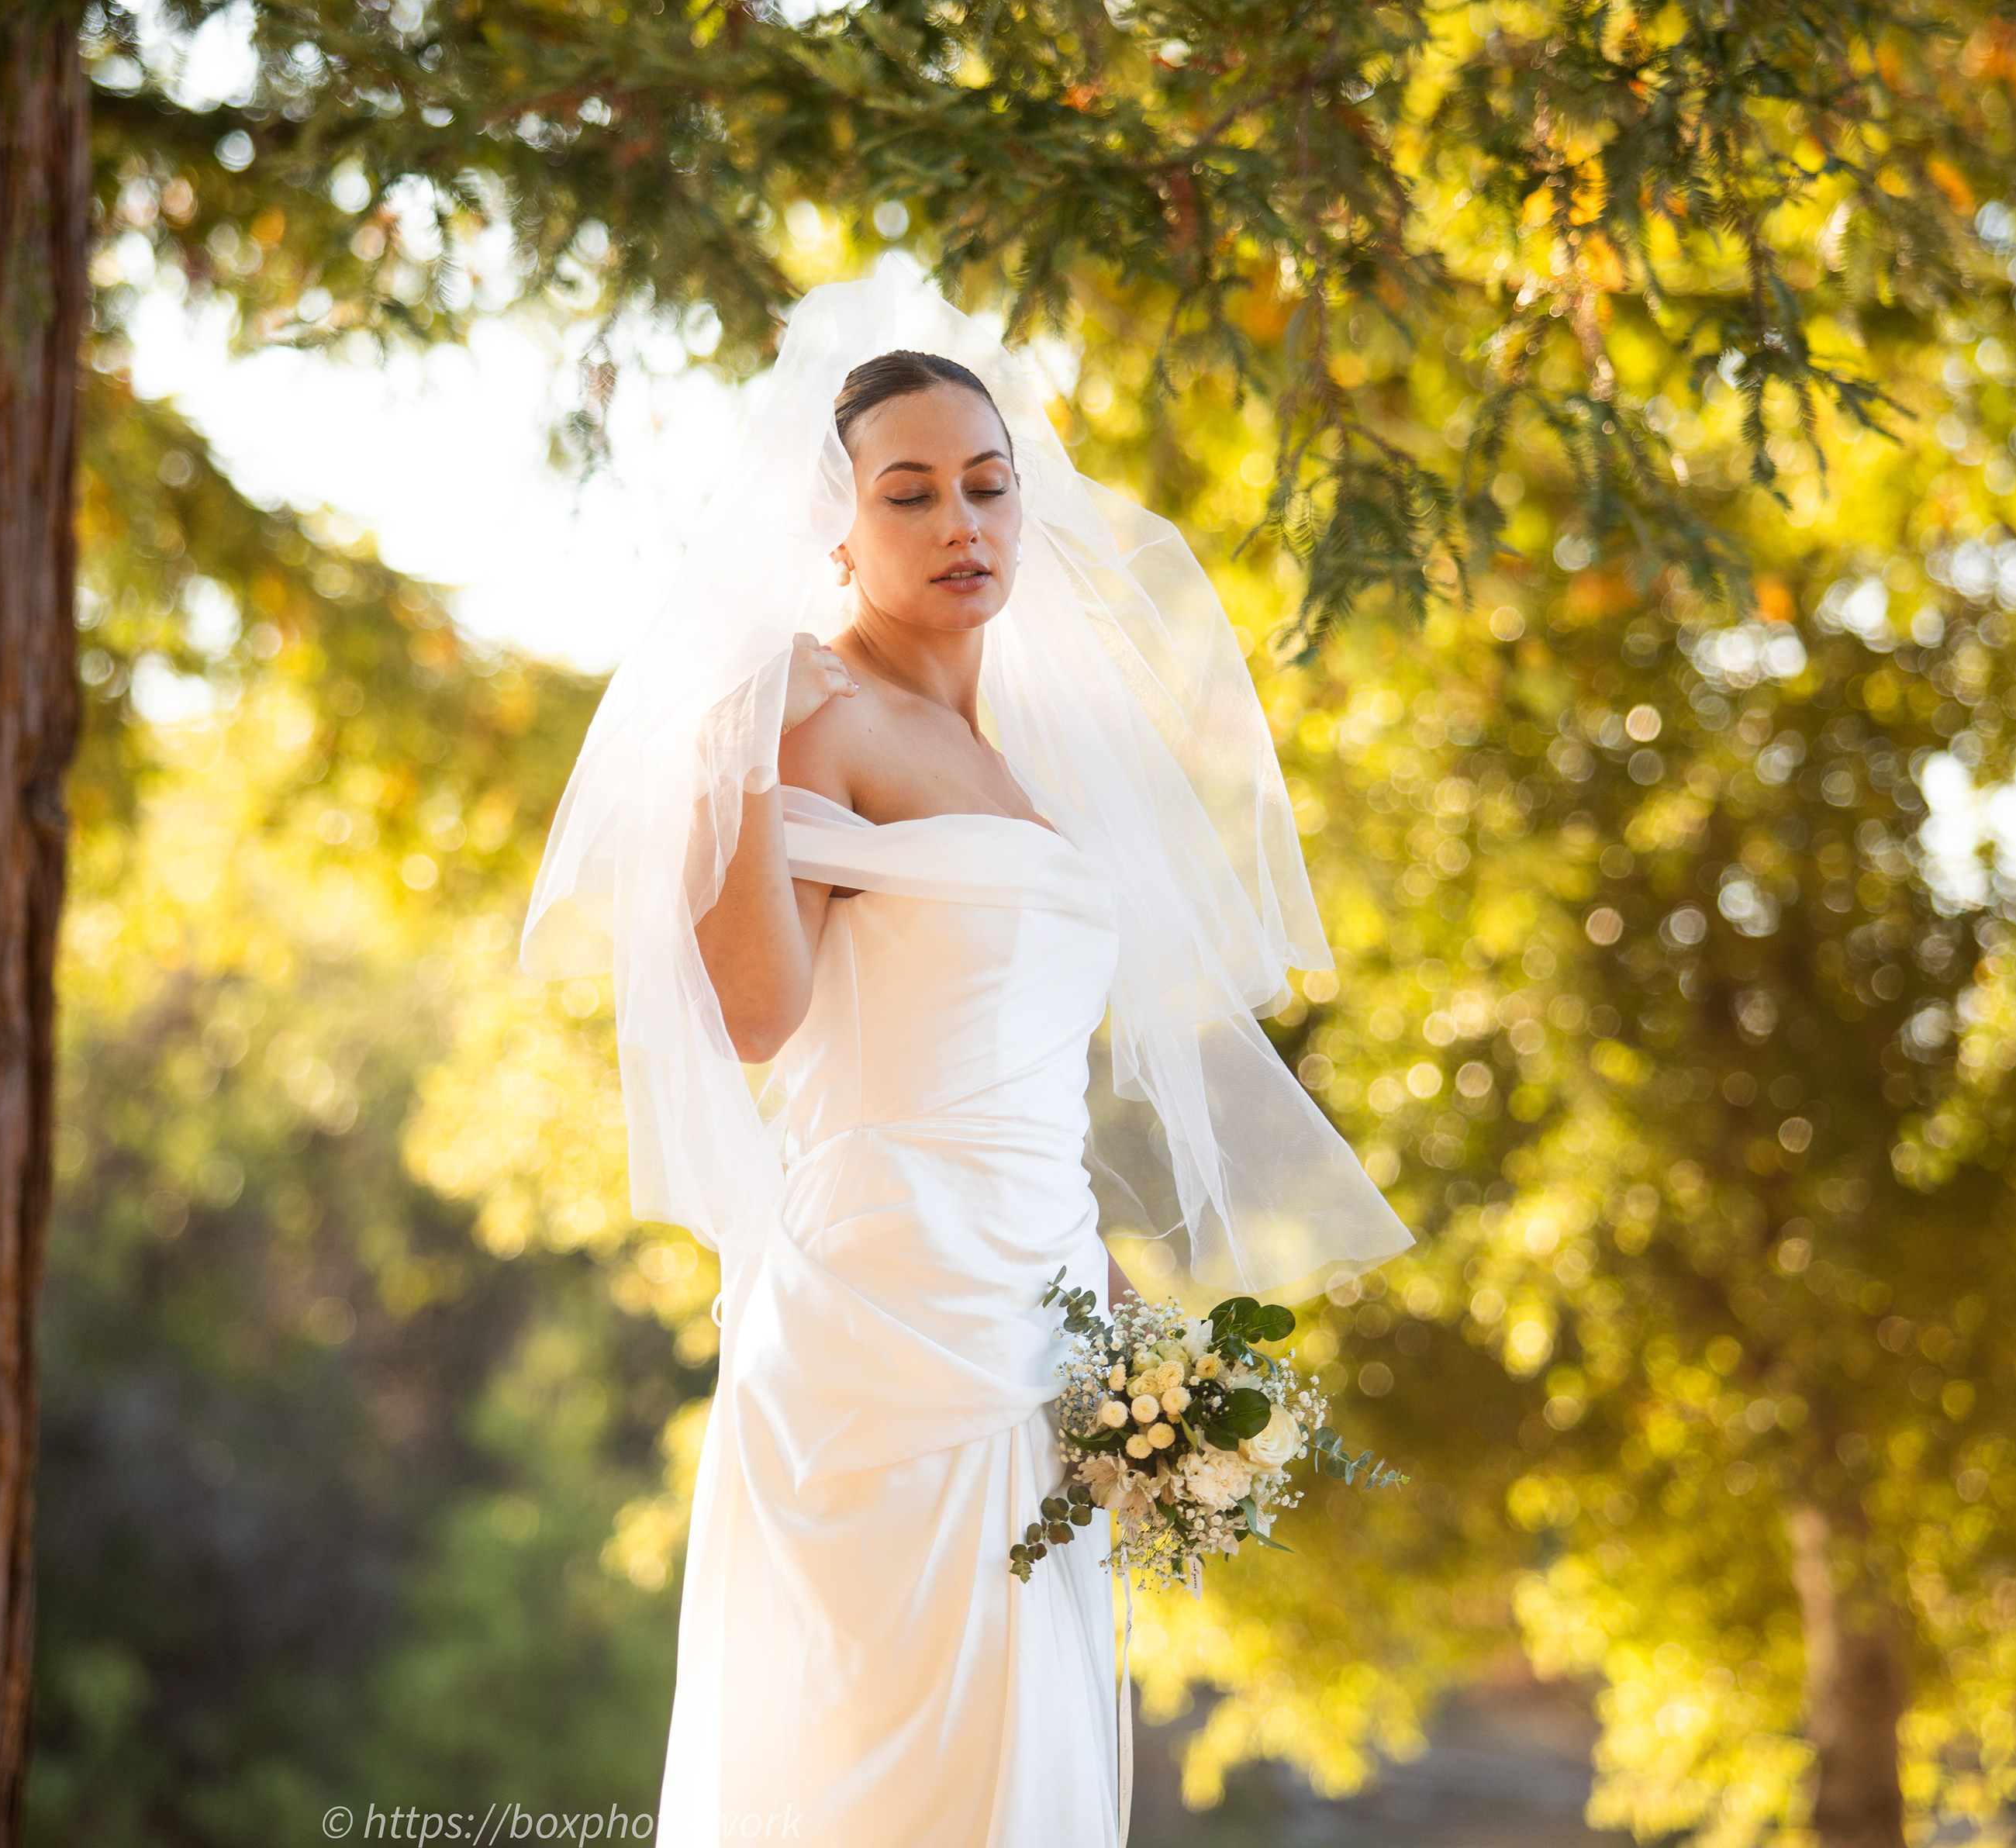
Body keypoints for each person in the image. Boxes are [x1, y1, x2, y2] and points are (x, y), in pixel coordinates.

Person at [521, 268, 1411, 1846]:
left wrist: (1118, 1316)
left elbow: (1017, 1073)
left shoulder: (1018, 759)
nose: (962, 523)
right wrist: (734, 768)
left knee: (1026, 1759)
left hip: (1039, 1315)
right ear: (837, 525)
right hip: (883, 1314)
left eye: (988, 486)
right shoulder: (813, 713)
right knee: (891, 1763)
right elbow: (755, 1018)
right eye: (911, 492)